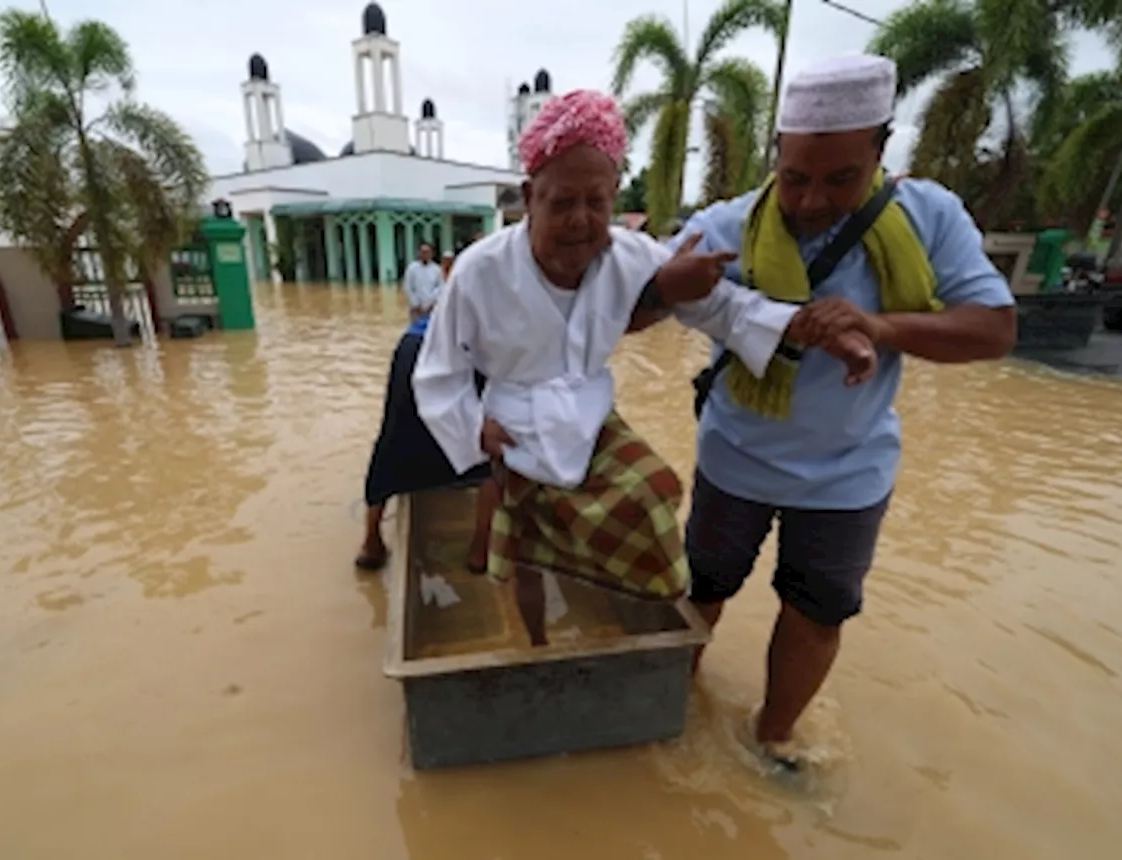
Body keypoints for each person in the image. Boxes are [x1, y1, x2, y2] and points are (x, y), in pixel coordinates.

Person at [412, 89, 876, 644]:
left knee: (655, 489)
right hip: (511, 425)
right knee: (525, 558)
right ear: (530, 198)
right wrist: (472, 429)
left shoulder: (630, 255)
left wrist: (813, 330)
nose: (580, 221)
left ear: (614, 197)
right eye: (561, 203)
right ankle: (532, 641)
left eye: (596, 202)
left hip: (589, 412)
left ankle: (618, 612)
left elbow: (724, 307)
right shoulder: (478, 270)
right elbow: (438, 370)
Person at [676, 55, 1017, 768]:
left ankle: (772, 740)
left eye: (839, 180)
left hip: (848, 472)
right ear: (777, 157)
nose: (808, 202)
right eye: (796, 177)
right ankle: (669, 707)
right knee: (700, 588)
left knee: (817, 609)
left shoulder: (930, 217)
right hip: (735, 456)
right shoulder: (730, 224)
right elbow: (647, 293)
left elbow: (993, 329)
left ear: (879, 151)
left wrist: (883, 327)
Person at [356, 310, 499, 573]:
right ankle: (480, 551)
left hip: (416, 345)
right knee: (491, 451)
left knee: (393, 438)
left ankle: (370, 543)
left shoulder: (465, 279)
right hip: (473, 349)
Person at [403, 244, 443, 322]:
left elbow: (440, 288)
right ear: (419, 253)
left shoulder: (437, 269)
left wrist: (431, 304)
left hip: (432, 308)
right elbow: (408, 287)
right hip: (416, 308)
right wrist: (416, 304)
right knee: (416, 330)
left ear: (432, 254)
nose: (425, 254)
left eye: (427, 252)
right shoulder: (411, 268)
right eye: (423, 252)